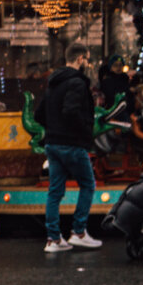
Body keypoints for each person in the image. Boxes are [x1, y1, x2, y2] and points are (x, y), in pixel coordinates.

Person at [42, 44, 103, 253]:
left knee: (55, 191)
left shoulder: (53, 82)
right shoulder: (77, 83)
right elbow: (71, 111)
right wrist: (86, 130)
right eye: (86, 59)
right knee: (88, 184)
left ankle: (53, 238)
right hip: (72, 143)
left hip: (52, 143)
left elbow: (39, 113)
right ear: (79, 60)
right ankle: (78, 231)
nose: (87, 63)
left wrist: (52, 127)